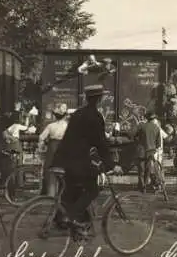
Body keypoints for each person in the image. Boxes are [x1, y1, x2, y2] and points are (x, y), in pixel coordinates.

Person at [52, 85, 123, 238]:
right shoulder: (96, 116)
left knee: (72, 191)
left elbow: (75, 138)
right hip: (77, 161)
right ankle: (70, 217)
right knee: (93, 189)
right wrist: (112, 164)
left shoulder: (77, 113)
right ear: (100, 99)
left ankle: (66, 222)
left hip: (62, 159)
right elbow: (101, 143)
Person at [38, 104, 69, 196]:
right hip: (63, 148)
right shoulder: (67, 126)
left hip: (52, 147)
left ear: (55, 116)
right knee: (63, 170)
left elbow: (41, 137)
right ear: (65, 116)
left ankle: (49, 193)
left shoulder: (50, 126)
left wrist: (42, 145)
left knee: (50, 170)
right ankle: (62, 193)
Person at [133, 112, 162, 193]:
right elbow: (158, 143)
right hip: (151, 152)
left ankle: (142, 186)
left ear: (146, 118)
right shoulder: (156, 127)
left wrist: (138, 142)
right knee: (148, 169)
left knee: (141, 170)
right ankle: (145, 185)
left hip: (141, 151)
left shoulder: (141, 126)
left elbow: (134, 135)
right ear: (153, 119)